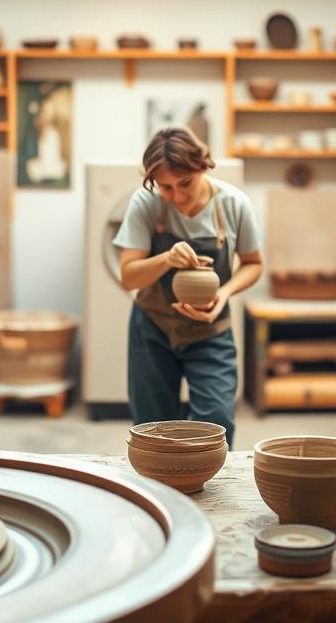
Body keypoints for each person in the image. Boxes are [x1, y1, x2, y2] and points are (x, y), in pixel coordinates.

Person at [114, 128, 263, 447]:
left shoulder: (234, 204)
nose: (177, 195)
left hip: (211, 330)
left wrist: (223, 293)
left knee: (217, 424)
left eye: (185, 183)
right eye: (165, 187)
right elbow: (128, 277)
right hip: (153, 329)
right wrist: (166, 258)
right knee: (153, 432)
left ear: (203, 167)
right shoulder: (146, 203)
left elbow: (253, 264)